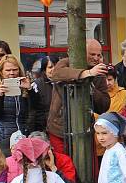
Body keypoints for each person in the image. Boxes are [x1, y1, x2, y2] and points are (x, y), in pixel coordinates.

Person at [46, 38, 110, 168]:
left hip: (84, 129)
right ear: (81, 52)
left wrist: (90, 87)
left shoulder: (99, 73)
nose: (96, 58)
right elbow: (57, 74)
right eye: (92, 54)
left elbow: (104, 105)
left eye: (99, 55)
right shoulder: (66, 62)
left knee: (87, 169)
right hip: (59, 129)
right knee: (63, 168)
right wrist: (86, 73)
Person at [0, 55, 40, 154]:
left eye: (15, 70)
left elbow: (35, 107)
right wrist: (0, 96)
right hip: (2, 138)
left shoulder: (24, 85)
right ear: (1, 71)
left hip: (22, 136)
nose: (12, 73)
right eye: (8, 70)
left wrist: (29, 90)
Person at [27, 54, 60, 134]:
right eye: (50, 67)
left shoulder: (64, 83)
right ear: (44, 70)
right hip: (43, 128)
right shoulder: (37, 85)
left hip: (61, 128)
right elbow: (33, 109)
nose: (54, 69)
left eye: (56, 66)